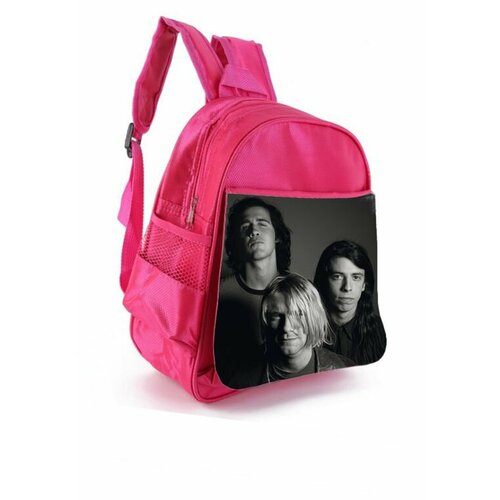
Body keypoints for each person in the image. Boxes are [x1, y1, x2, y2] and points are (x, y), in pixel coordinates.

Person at [214, 196, 292, 385]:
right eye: (245, 227)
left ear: (277, 236)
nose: (254, 231)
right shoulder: (217, 296)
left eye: (262, 223)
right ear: (236, 242)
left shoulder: (302, 292)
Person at [226, 274, 352, 389]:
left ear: (314, 318)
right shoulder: (239, 378)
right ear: (266, 320)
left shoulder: (344, 371)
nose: (286, 327)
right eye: (276, 316)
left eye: (298, 314)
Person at [313, 240, 386, 365]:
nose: (347, 287)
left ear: (364, 284)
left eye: (356, 277)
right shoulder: (305, 331)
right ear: (324, 281)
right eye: (337, 276)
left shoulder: (382, 333)